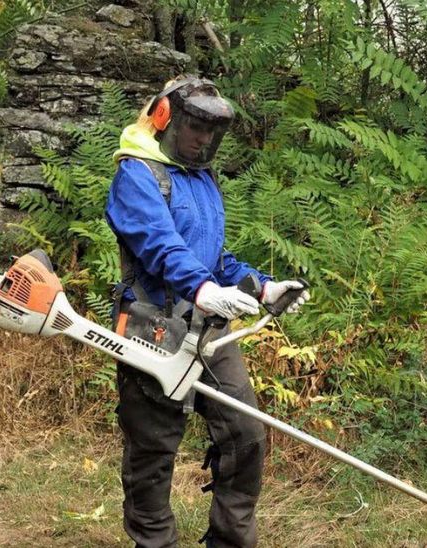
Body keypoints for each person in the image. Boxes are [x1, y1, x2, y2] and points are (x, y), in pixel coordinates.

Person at [105, 75, 310, 548]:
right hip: (152, 326)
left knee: (245, 435)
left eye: (213, 132)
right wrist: (200, 288)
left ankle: (230, 541)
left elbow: (214, 258)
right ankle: (155, 543)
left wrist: (262, 288)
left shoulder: (201, 178)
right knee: (152, 449)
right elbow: (159, 244)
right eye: (196, 127)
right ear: (164, 118)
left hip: (209, 329)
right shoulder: (138, 173)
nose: (204, 139)